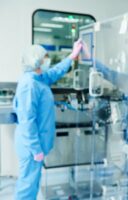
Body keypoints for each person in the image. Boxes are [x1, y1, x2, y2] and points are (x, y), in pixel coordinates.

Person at [13, 39, 83, 200]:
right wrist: (36, 149)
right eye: (44, 57)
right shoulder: (29, 85)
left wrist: (72, 56)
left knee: (32, 182)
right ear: (35, 60)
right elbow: (27, 121)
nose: (47, 60)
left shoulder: (38, 78)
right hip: (30, 145)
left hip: (34, 144)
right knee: (27, 185)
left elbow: (54, 72)